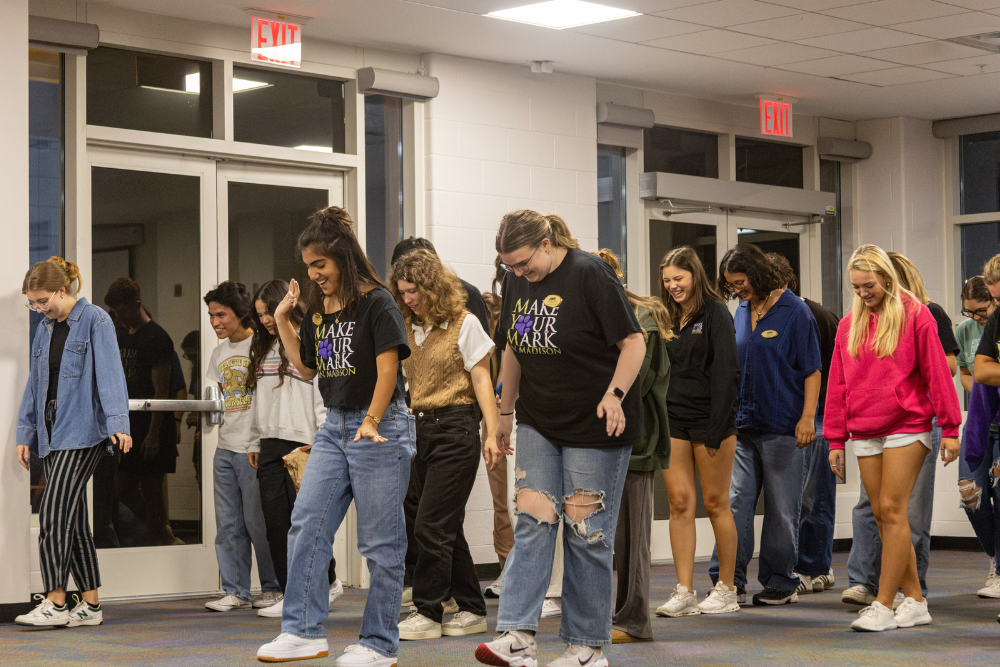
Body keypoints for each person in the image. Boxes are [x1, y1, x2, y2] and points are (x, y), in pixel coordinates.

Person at [474, 210, 646, 667]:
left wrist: (614, 395)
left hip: (596, 421)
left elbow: (634, 343)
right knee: (533, 520)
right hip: (539, 419)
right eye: (509, 266)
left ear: (547, 244)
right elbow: (513, 348)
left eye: (524, 263)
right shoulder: (515, 282)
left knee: (585, 532)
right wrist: (505, 413)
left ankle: (587, 647)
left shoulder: (591, 273)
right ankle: (518, 635)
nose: (517, 273)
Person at [256, 207, 414, 666]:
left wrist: (372, 419)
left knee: (381, 544)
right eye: (308, 267)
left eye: (319, 265)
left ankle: (380, 644)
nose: (313, 274)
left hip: (380, 427)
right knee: (307, 524)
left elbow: (389, 369)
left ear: (342, 258)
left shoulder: (377, 302)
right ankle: (302, 631)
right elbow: (307, 368)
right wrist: (284, 320)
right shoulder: (320, 311)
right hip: (335, 427)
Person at [827, 244, 961, 632]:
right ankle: (915, 600)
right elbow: (837, 385)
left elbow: (938, 374)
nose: (863, 293)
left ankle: (884, 604)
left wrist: (950, 429)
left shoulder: (916, 316)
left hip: (908, 424)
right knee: (884, 519)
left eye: (869, 285)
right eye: (856, 287)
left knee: (892, 509)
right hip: (865, 429)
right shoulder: (847, 326)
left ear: (886, 278)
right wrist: (836, 438)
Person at [14, 257, 132, 628]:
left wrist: (118, 422)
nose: (38, 308)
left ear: (62, 290)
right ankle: (91, 605)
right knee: (74, 519)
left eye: (42, 300)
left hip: (84, 430)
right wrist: (25, 431)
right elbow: (36, 385)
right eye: (32, 303)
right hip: (52, 430)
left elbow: (111, 373)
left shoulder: (95, 319)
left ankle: (56, 601)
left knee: (51, 512)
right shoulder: (46, 329)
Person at [390, 249, 498, 641]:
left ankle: (429, 611)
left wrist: (491, 432)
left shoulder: (464, 324)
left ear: (433, 286)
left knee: (430, 525)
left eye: (414, 291)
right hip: (419, 430)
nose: (408, 299)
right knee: (444, 524)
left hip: (456, 427)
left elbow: (483, 380)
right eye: (402, 293)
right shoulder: (409, 327)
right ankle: (471, 608)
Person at [708, 243, 822, 607]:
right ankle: (729, 579)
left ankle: (779, 581)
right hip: (744, 426)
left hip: (784, 426)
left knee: (781, 508)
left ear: (756, 274)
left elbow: (812, 370)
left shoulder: (796, 312)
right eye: (731, 284)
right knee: (737, 502)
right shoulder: (741, 310)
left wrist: (807, 418)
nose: (736, 289)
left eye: (740, 281)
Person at [246, 280, 342, 619]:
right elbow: (259, 399)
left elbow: (322, 390)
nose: (265, 320)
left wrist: (321, 438)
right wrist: (255, 440)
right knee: (275, 523)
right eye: (259, 316)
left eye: (267, 313)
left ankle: (326, 581)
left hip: (305, 440)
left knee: (305, 523)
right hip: (270, 441)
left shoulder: (309, 339)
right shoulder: (263, 348)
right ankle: (291, 593)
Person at [655, 246, 741, 616]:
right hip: (674, 418)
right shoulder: (666, 315)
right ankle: (685, 591)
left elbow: (727, 372)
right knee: (679, 503)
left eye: (679, 278)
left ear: (695, 275)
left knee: (716, 503)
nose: (674, 285)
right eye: (667, 280)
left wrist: (718, 428)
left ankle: (727, 588)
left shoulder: (716, 311)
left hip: (712, 421)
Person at [590, 249, 671, 644]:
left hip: (638, 444)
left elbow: (638, 385)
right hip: (606, 441)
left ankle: (635, 619)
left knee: (634, 539)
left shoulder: (643, 321)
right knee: (616, 537)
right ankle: (619, 615)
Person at [203, 281, 281, 612]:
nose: (215, 322)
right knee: (228, 523)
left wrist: (259, 442)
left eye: (221, 314)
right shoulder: (218, 353)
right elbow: (216, 395)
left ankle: (274, 587)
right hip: (225, 446)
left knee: (258, 521)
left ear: (240, 313)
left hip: (254, 447)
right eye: (211, 315)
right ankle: (236, 590)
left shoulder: (261, 345)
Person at [767, 253, 841, 597]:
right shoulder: (760, 316)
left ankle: (816, 567)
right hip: (784, 420)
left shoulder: (816, 315)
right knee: (795, 499)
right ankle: (798, 565)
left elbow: (831, 370)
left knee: (814, 497)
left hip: (819, 416)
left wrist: (820, 417)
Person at [104, 277, 180, 547]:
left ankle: (161, 538)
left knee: (151, 488)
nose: (119, 317)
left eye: (122, 310)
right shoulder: (123, 336)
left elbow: (162, 391)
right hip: (129, 424)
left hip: (151, 425)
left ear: (136, 304)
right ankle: (158, 531)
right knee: (121, 487)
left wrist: (153, 435)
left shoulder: (158, 338)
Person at [956, 276, 1000, 597]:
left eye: (981, 311)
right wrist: (982, 392)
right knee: (970, 493)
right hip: (979, 420)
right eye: (969, 312)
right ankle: (994, 556)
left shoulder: (996, 321)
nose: (976, 319)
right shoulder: (964, 330)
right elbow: (968, 375)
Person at [482, 289, 515, 598]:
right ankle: (507, 569)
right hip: (490, 416)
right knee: (500, 501)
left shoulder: (516, 319)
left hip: (521, 412)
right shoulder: (476, 324)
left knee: (526, 503)